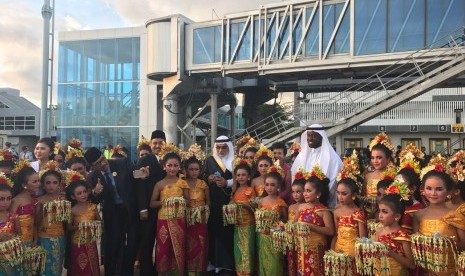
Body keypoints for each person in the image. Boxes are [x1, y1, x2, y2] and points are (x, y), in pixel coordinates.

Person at [85, 147, 139, 276]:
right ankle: (111, 271)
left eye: (102, 159)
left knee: (131, 242)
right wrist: (95, 192)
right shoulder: (93, 176)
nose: (102, 163)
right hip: (112, 213)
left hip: (129, 209)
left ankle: (127, 272)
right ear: (93, 166)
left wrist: (142, 173)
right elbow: (93, 200)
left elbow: (135, 176)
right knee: (113, 244)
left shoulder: (122, 163)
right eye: (97, 163)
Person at [413, 155, 465, 275]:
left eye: (439, 189)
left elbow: (463, 244)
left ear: (448, 191)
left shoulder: (455, 215)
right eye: (429, 188)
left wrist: (443, 244)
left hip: (450, 270)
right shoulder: (418, 215)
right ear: (423, 190)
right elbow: (415, 246)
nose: (433, 193)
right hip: (425, 270)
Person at [150, 149, 189, 275]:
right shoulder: (159, 184)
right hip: (163, 221)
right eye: (170, 165)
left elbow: (188, 202)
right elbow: (152, 203)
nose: (172, 168)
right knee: (164, 250)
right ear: (164, 167)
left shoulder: (183, 183)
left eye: (175, 165)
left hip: (179, 220)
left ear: (179, 167)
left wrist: (179, 201)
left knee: (179, 249)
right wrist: (165, 202)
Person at [202, 136, 235, 275]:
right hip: (213, 202)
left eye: (224, 147)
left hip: (229, 202)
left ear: (229, 147)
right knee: (213, 232)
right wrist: (207, 178)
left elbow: (241, 177)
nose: (221, 150)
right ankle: (214, 263)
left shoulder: (235, 161)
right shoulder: (209, 160)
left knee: (227, 233)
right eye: (218, 147)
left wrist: (227, 183)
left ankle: (227, 264)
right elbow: (201, 175)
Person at [136, 130, 167, 276]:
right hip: (149, 208)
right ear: (150, 144)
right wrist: (142, 209)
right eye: (155, 143)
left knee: (164, 241)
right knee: (147, 242)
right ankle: (146, 271)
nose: (158, 146)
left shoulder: (171, 159)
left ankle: (161, 269)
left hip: (167, 208)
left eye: (161, 142)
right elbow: (138, 184)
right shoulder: (144, 161)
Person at [291, 124, 343, 208]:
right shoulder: (301, 156)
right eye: (309, 135)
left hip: (323, 202)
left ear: (321, 137)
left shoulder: (333, 158)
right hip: (302, 202)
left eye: (314, 136)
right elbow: (294, 177)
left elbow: (333, 183)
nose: (310, 139)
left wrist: (319, 198)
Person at [294, 165, 334, 275]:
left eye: (308, 191)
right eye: (304, 191)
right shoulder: (301, 207)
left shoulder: (323, 210)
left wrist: (311, 227)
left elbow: (330, 231)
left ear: (318, 194)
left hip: (316, 250)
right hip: (302, 247)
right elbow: (294, 224)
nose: (304, 194)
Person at [331, 152, 366, 275]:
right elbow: (335, 234)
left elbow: (362, 240)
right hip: (338, 252)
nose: (340, 197)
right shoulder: (337, 212)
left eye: (344, 194)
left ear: (354, 196)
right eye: (338, 193)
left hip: (352, 254)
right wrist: (332, 253)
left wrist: (355, 256)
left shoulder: (358, 213)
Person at [35, 161, 68, 276]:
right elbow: (36, 222)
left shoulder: (63, 201)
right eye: (48, 183)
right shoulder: (39, 200)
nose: (51, 185)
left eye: (54, 183)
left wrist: (62, 210)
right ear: (43, 185)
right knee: (43, 268)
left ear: (59, 184)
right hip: (43, 238)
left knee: (56, 267)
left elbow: (66, 221)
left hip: (59, 238)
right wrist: (44, 210)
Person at [375, 182, 415, 275]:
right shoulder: (379, 231)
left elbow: (411, 264)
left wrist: (391, 253)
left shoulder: (402, 236)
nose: (380, 215)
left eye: (384, 212)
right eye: (379, 211)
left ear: (396, 216)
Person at [66, 173, 101, 276]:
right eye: (79, 193)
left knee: (92, 266)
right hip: (77, 243)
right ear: (73, 196)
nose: (83, 195)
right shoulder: (72, 210)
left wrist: (93, 224)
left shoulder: (93, 207)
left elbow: (99, 222)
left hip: (90, 242)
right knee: (79, 267)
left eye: (84, 192)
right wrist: (79, 226)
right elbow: (69, 227)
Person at [183, 145, 210, 275]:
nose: (194, 172)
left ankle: (199, 271)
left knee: (201, 245)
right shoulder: (182, 183)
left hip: (201, 220)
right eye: (191, 169)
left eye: (196, 169)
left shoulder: (203, 184)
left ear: (200, 170)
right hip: (187, 220)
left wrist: (204, 211)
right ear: (186, 171)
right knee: (188, 245)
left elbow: (208, 201)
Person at [256, 168, 287, 275]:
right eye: (267, 184)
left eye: (272, 185)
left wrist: (276, 225)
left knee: (275, 263)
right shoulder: (261, 201)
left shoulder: (281, 203)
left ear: (278, 187)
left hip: (275, 237)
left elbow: (285, 220)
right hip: (263, 236)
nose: (269, 187)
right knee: (263, 261)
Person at [230, 160, 256, 275]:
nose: (241, 177)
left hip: (248, 225)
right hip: (237, 225)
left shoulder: (250, 190)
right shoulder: (235, 191)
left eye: (243, 175)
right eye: (238, 175)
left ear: (249, 177)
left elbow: (255, 208)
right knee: (238, 251)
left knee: (247, 251)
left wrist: (245, 205)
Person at [10, 160, 40, 246]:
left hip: (31, 241)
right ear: (24, 185)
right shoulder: (16, 200)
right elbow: (11, 223)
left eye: (38, 181)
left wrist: (35, 239)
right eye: (34, 182)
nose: (38, 184)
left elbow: (34, 223)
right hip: (18, 242)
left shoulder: (35, 200)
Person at [0, 174, 21, 275]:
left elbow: (20, 236)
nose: (6, 202)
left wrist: (12, 238)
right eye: (1, 199)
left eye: (8, 198)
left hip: (11, 260)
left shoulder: (13, 217)